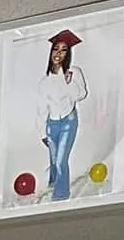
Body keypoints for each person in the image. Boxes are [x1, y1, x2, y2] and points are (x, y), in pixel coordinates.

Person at [37, 30, 87, 201]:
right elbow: (42, 108)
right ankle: (52, 187)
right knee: (52, 161)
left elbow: (81, 94)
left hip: (68, 122)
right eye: (55, 49)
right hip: (52, 125)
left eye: (63, 50)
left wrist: (69, 83)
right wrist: (42, 132)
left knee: (60, 162)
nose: (58, 53)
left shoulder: (74, 72)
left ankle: (61, 196)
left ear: (68, 53)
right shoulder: (45, 81)